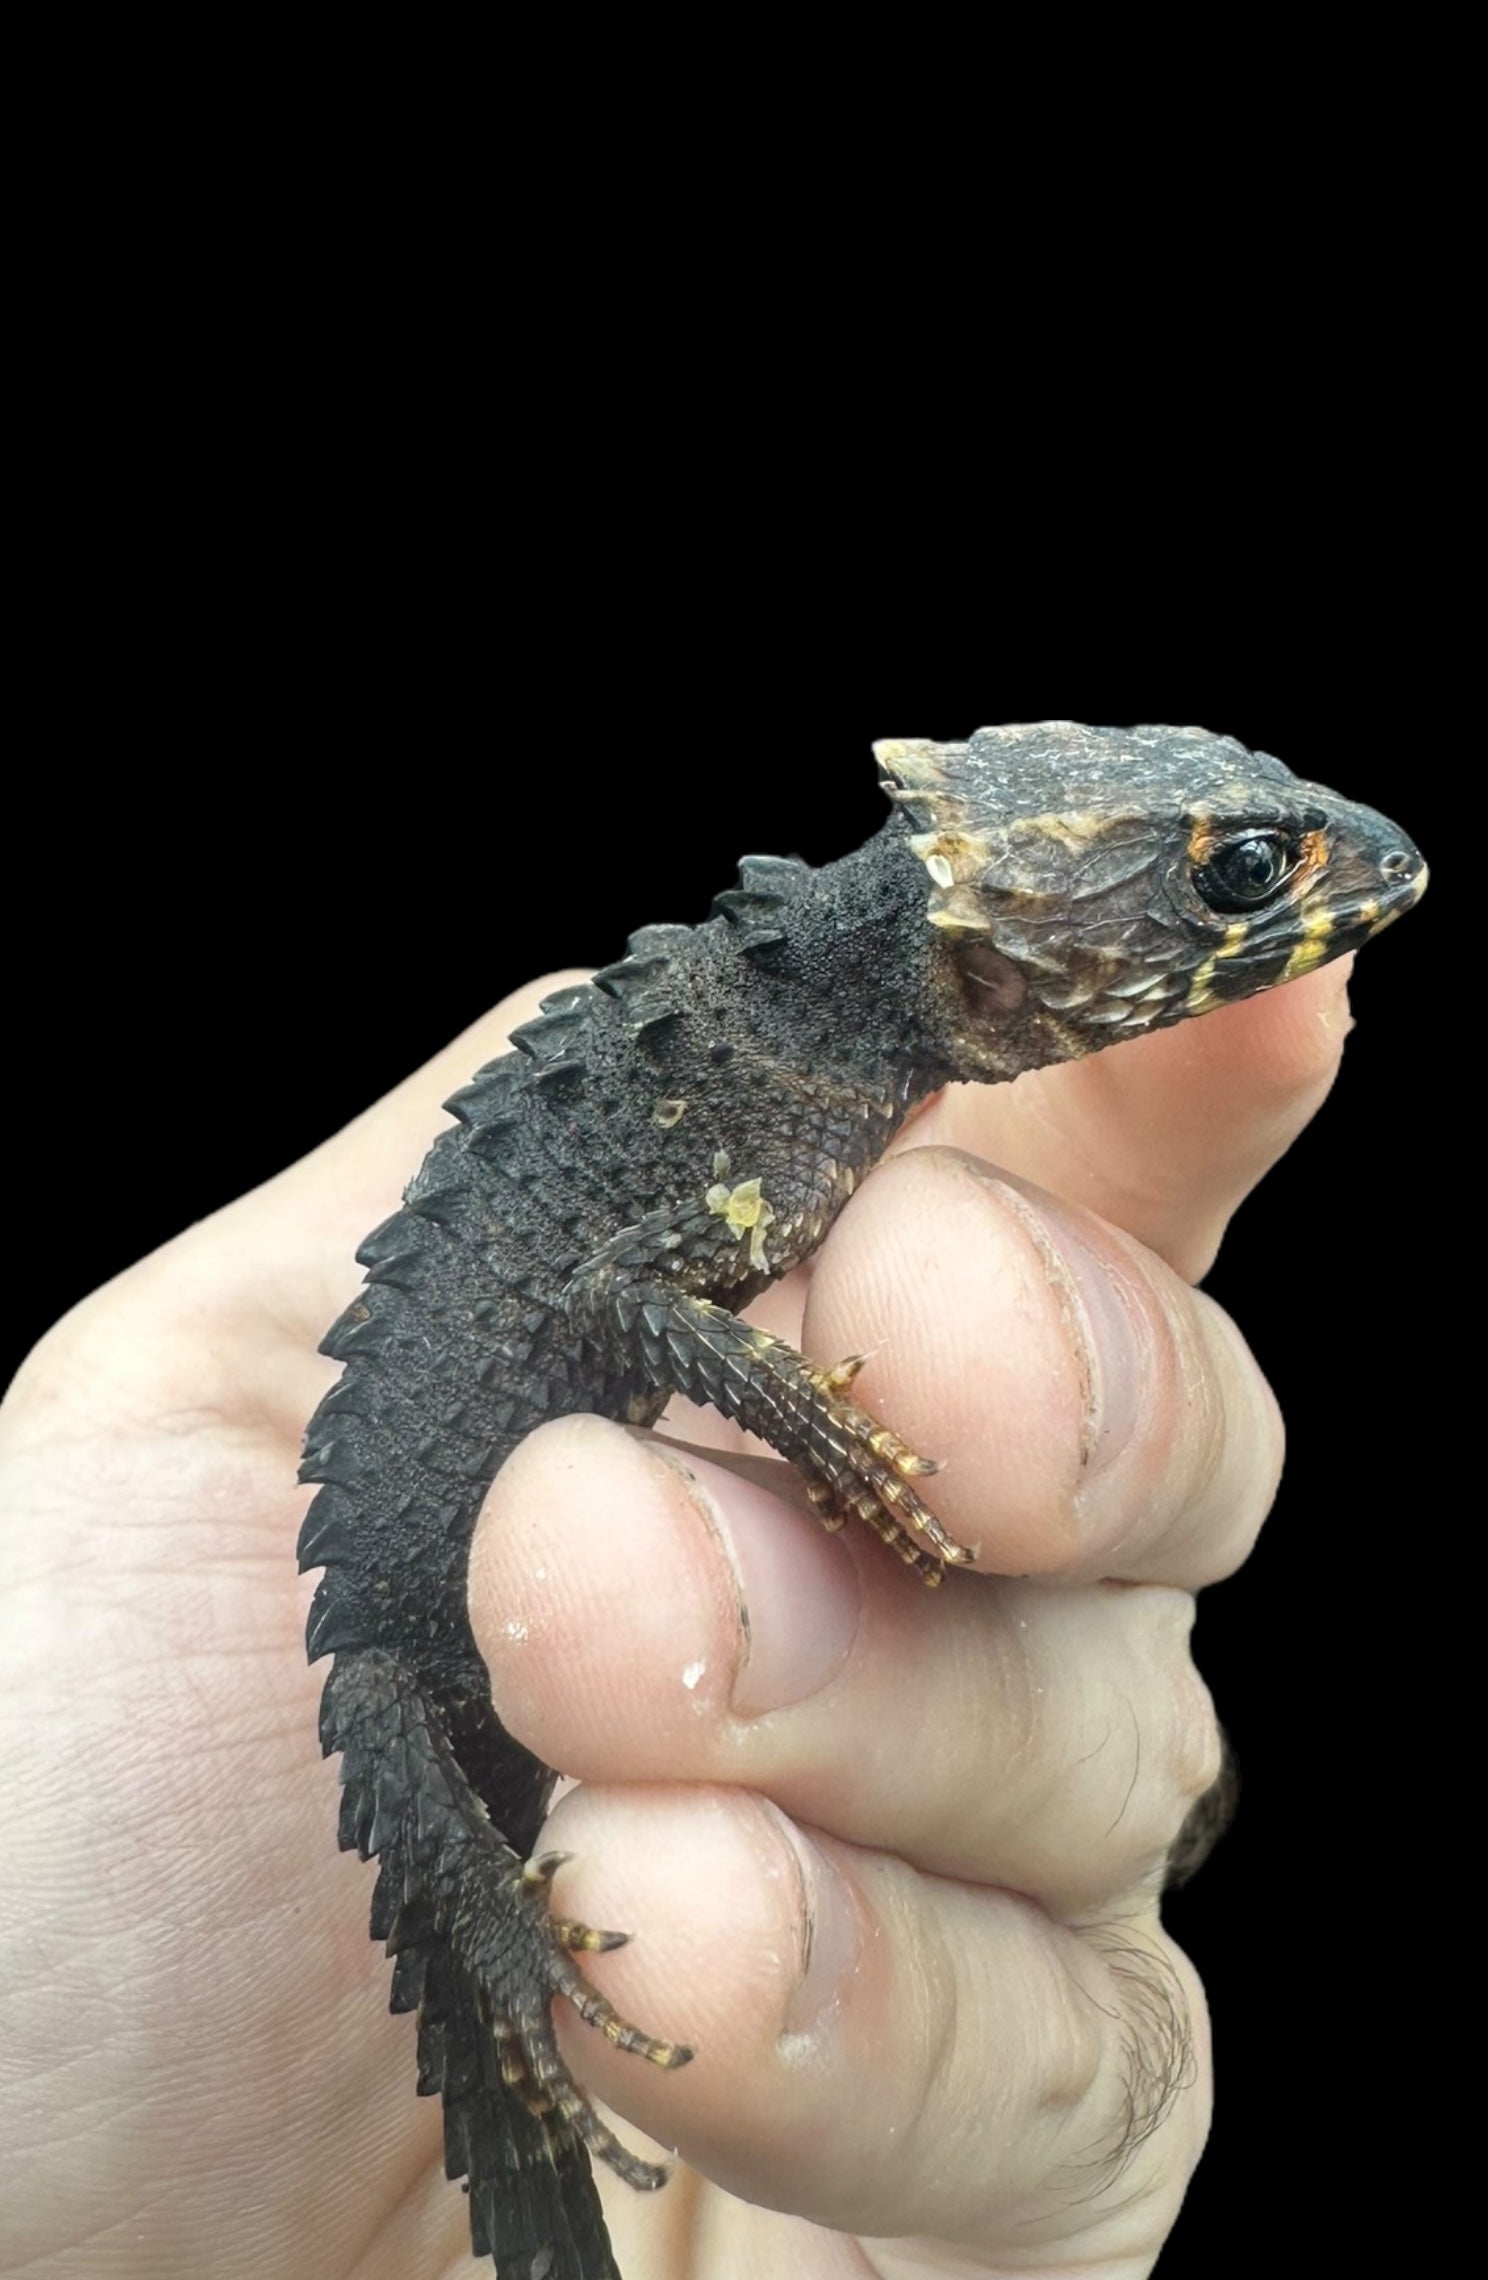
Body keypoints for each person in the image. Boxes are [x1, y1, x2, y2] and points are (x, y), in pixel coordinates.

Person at [0, 955, 1355, 2279]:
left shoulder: (822, 1055)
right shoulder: (796, 1063)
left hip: (511, 1649)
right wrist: (827, 1433)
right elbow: (624, 1299)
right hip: (414, 1650)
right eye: (1226, 887)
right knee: (437, 1769)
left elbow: (635, 1294)